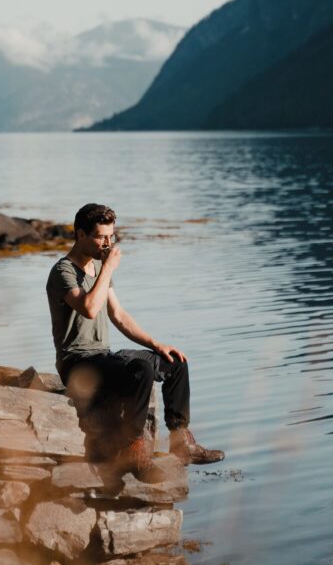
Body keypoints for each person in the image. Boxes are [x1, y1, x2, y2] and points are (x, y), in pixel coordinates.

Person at [46, 203, 224, 474]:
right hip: (77, 362)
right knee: (139, 370)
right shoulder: (63, 271)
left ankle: (181, 441)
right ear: (80, 235)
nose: (107, 243)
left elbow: (117, 314)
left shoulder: (98, 267)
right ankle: (133, 449)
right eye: (100, 237)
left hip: (103, 356)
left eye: (111, 236)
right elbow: (91, 309)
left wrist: (156, 344)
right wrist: (108, 268)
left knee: (174, 362)